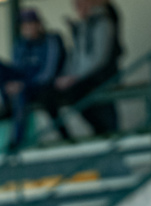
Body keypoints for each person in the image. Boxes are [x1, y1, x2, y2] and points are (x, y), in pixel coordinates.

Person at [39, 0, 122, 140]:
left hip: (99, 77)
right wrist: (67, 75)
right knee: (48, 94)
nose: (78, 7)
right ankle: (68, 136)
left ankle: (105, 132)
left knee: (99, 106)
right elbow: (76, 55)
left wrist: (76, 77)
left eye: (81, 3)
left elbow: (99, 58)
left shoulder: (103, 22)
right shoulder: (82, 25)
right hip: (81, 77)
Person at [0, 8, 65, 150]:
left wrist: (23, 85)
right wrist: (13, 85)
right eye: (24, 25)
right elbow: (17, 68)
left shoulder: (51, 40)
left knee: (22, 93)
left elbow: (48, 73)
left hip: (44, 86)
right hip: (24, 84)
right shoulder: (21, 44)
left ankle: (17, 141)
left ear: (39, 24)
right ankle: (6, 105)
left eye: (30, 23)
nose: (27, 28)